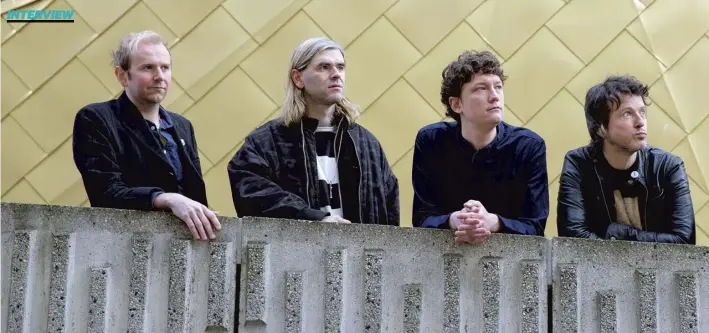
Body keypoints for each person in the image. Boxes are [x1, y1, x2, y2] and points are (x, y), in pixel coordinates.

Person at [227, 37, 399, 226]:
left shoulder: (366, 143)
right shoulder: (266, 142)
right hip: (294, 252)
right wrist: (312, 217)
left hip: (357, 253)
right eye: (324, 67)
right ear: (298, 78)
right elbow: (251, 191)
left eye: (340, 67)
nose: (336, 74)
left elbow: (389, 212)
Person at [72, 30, 221, 241]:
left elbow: (194, 197)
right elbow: (105, 192)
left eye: (165, 67)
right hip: (125, 243)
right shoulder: (96, 118)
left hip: (183, 246)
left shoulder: (182, 126)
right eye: (148, 67)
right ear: (122, 75)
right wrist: (165, 199)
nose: (159, 76)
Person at [412, 50, 549, 244]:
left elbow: (535, 226)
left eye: (498, 87)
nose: (495, 97)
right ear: (457, 104)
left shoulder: (529, 146)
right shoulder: (431, 141)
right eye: (481, 89)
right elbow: (421, 218)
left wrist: (494, 222)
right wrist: (454, 220)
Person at [557, 75, 695, 244]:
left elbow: (684, 240)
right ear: (601, 127)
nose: (640, 122)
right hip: (598, 269)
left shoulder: (668, 166)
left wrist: (623, 234)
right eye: (627, 114)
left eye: (642, 112)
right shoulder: (579, 164)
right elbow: (572, 237)